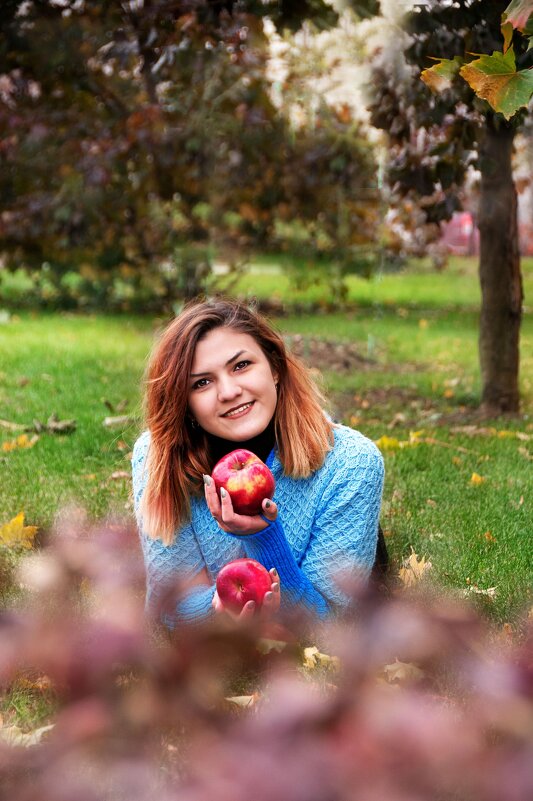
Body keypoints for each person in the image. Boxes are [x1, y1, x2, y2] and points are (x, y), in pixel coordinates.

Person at [132, 298, 385, 629]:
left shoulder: (351, 464)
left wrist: (265, 537)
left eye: (241, 366)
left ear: (275, 368)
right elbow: (171, 608)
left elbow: (330, 625)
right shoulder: (160, 455)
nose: (229, 391)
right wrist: (219, 610)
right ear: (185, 402)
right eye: (202, 383)